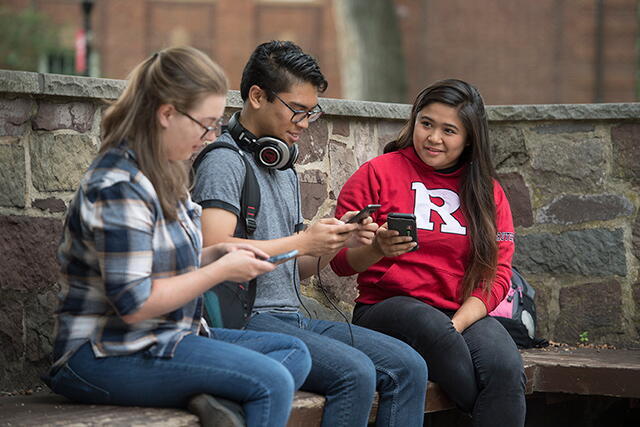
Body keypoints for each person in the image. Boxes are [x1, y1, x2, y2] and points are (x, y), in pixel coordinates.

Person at [44, 47, 313, 427]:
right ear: (167, 113)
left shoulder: (166, 171)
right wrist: (217, 273)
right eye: (205, 124)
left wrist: (216, 254)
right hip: (103, 354)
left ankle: (207, 395)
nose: (211, 136)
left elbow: (164, 262)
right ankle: (207, 392)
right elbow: (135, 303)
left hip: (167, 337)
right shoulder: (119, 185)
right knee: (270, 381)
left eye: (216, 124)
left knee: (294, 352)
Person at [191, 40, 428, 427]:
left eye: (311, 112)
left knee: (410, 366)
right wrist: (303, 240)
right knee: (355, 373)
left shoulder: (282, 167)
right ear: (256, 96)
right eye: (296, 110)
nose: (303, 123)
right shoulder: (223, 161)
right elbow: (213, 247)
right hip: (246, 322)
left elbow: (295, 268)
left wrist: (336, 242)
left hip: (291, 318)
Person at [331, 79, 526, 427]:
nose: (433, 138)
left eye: (449, 130)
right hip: (386, 308)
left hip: (460, 312)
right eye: (426, 123)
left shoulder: (487, 192)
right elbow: (341, 263)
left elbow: (496, 273)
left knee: (504, 366)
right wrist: (376, 249)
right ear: (414, 122)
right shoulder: (378, 173)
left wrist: (456, 325)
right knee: (430, 326)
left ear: (469, 138)